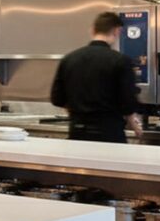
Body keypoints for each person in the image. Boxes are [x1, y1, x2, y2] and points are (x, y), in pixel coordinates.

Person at [51, 12, 143, 143]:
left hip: (77, 133)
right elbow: (128, 103)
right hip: (109, 133)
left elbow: (57, 99)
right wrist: (133, 123)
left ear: (92, 30)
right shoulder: (121, 61)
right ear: (117, 31)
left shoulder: (69, 59)